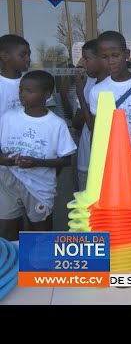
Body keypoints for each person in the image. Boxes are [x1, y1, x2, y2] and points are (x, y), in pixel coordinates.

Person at [0, 70, 76, 240]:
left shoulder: (56, 124)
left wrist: (36, 162)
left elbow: (66, 160)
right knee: (6, 230)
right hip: (8, 181)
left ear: (47, 94)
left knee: (40, 230)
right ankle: (11, 263)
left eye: (29, 91)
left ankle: (40, 265)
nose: (23, 95)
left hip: (39, 187)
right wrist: (3, 159)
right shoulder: (7, 118)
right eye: (21, 90)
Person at [89, 31, 131, 174]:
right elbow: (98, 131)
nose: (110, 61)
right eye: (104, 57)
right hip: (111, 163)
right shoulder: (97, 91)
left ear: (126, 54)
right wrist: (98, 162)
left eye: (115, 55)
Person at [73, 39, 108, 191]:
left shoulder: (109, 86)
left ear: (101, 58)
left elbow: (93, 125)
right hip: (86, 157)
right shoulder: (86, 82)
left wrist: (80, 93)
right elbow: (76, 121)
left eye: (87, 58)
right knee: (85, 208)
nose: (83, 63)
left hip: (104, 161)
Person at [0, 34, 31, 119]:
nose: (28, 59)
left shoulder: (33, 81)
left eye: (29, 54)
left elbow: (48, 110)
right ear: (5, 56)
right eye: (23, 55)